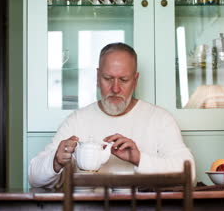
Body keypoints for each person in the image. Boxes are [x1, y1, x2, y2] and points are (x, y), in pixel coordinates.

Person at [29, 42, 195, 188]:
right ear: (97, 77)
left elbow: (191, 174)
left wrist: (139, 159)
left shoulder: (160, 119)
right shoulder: (77, 120)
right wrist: (56, 161)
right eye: (108, 78)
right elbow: (33, 178)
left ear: (135, 80)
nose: (115, 89)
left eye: (123, 80)